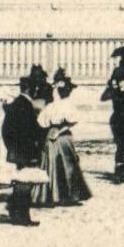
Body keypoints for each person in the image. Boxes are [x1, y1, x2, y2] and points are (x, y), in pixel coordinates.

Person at [34, 73, 92, 207]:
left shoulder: (54, 106)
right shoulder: (61, 106)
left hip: (56, 136)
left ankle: (52, 195)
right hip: (64, 137)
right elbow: (72, 121)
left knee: (54, 165)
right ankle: (67, 195)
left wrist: (55, 131)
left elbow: (42, 123)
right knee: (67, 165)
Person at [1, 74, 48, 226]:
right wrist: (44, 132)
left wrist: (10, 147)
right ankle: (22, 216)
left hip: (16, 150)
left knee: (20, 180)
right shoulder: (26, 106)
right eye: (35, 88)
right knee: (25, 183)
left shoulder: (15, 104)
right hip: (26, 150)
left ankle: (15, 211)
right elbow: (32, 130)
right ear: (30, 89)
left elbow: (5, 129)